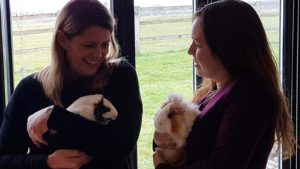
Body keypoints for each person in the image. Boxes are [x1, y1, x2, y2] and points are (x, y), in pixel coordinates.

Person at [153, 0, 296, 169]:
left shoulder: (249, 95)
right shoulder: (215, 89)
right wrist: (160, 138)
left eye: (198, 44)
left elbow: (223, 165)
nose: (190, 51)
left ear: (226, 47)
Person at [0, 0, 143, 169]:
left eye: (105, 44)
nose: (99, 54)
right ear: (62, 40)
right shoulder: (30, 89)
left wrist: (54, 117)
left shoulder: (120, 76)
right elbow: (4, 159)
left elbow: (120, 147)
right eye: (88, 45)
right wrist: (47, 162)